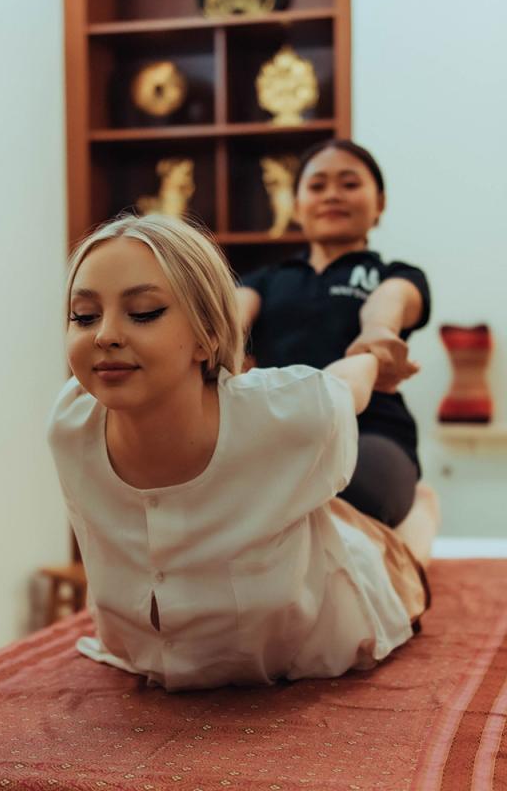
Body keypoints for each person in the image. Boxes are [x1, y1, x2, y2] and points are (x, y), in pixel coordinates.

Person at [48, 213, 434, 693]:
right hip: (155, 652)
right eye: (83, 316)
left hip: (314, 634)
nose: (104, 334)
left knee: (401, 562)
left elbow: (343, 388)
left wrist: (375, 357)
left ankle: (423, 511)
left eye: (144, 311)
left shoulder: (284, 413)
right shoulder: (69, 426)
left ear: (208, 334)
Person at [237, 139, 431, 528]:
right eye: (317, 185)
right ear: (296, 206)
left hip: (372, 432)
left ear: (380, 204)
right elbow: (229, 314)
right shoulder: (266, 281)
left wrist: (377, 333)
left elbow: (390, 302)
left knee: (351, 494)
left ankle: (420, 511)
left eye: (349, 183)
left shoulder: (394, 275)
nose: (332, 195)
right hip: (278, 432)